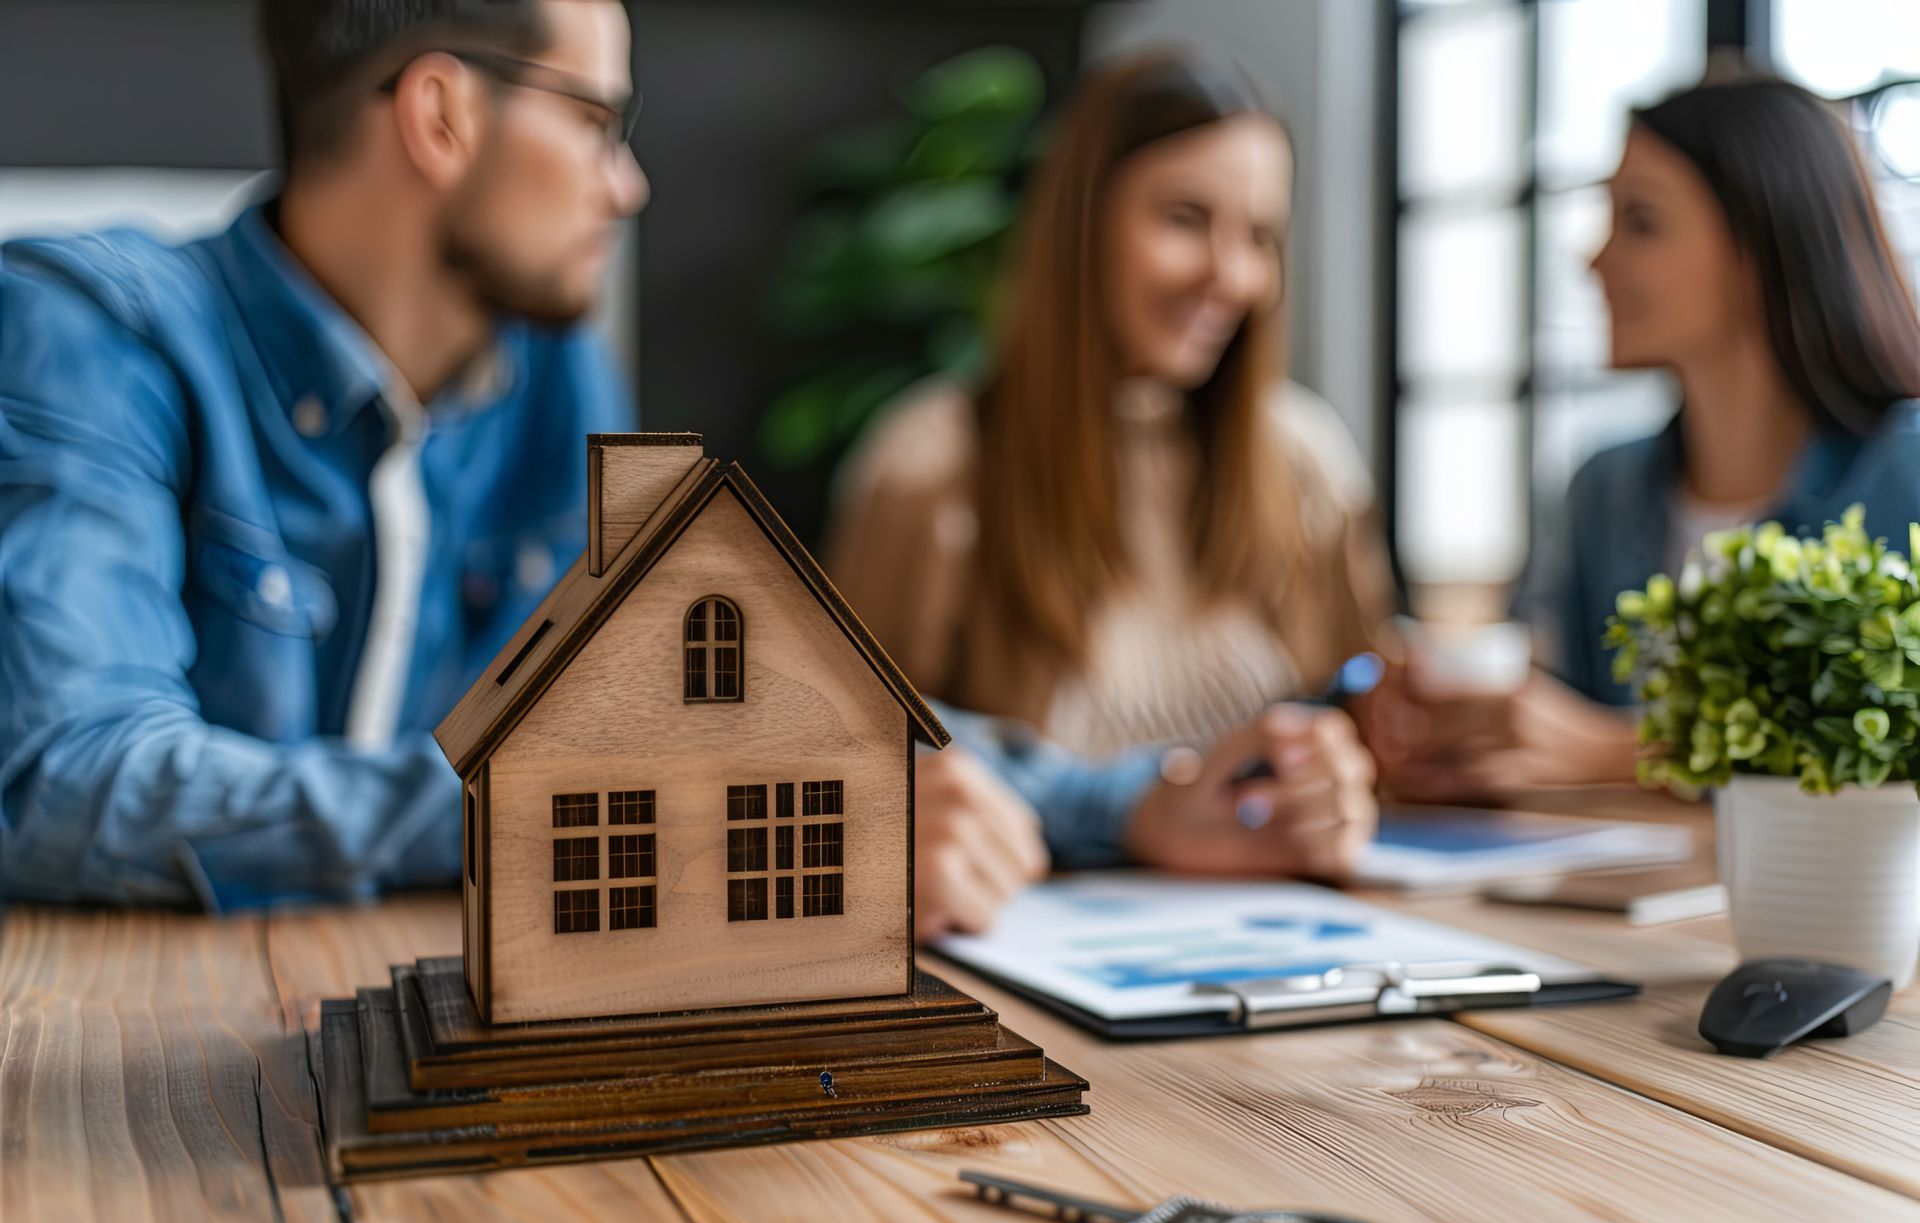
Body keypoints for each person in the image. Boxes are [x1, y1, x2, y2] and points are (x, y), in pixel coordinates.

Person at [0, 1, 1373, 926]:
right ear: (439, 115)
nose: (628, 183)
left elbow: (769, 719)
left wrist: (1147, 800)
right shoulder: (89, 331)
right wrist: (627, 811)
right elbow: (73, 785)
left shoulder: (552, 376)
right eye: (597, 123)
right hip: (139, 1082)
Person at [826, 52, 1396, 760]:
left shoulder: (1304, 460)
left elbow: (1371, 727)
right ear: (1081, 224)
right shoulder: (931, 467)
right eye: (1185, 219)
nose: (1230, 276)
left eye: (1258, 236)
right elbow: (854, 766)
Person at [1368, 73, 1920, 803]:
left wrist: (1622, 750)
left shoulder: (1905, 472)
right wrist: (1456, 734)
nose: (1595, 260)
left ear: (1763, 239)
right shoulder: (1603, 487)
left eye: (1642, 221)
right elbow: (1549, 714)